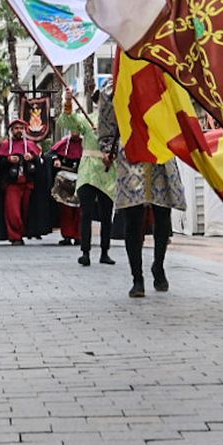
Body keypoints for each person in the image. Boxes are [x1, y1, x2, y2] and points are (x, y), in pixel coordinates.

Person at [95, 81, 183, 297]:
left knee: (163, 214)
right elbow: (107, 123)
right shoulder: (113, 85)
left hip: (160, 149)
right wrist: (107, 147)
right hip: (131, 152)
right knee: (133, 217)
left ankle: (158, 265)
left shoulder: (162, 76)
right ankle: (137, 278)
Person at [58, 89, 113, 268]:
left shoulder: (117, 122)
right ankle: (85, 252)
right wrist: (68, 101)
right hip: (89, 169)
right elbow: (67, 121)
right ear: (97, 101)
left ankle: (105, 251)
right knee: (86, 213)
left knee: (106, 214)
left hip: (108, 170)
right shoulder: (87, 119)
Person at [0, 118, 43, 245]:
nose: (19, 131)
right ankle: (15, 236)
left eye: (21, 128)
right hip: (11, 184)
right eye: (16, 128)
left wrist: (32, 157)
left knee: (26, 210)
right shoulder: (5, 146)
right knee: (13, 211)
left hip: (28, 183)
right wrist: (8, 159)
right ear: (12, 130)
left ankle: (23, 232)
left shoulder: (30, 145)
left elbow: (39, 164)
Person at [48, 102, 84, 247]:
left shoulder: (86, 143)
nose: (75, 132)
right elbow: (50, 154)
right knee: (66, 210)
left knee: (80, 210)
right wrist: (56, 159)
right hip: (65, 184)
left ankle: (79, 236)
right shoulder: (63, 143)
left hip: (81, 180)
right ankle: (67, 236)